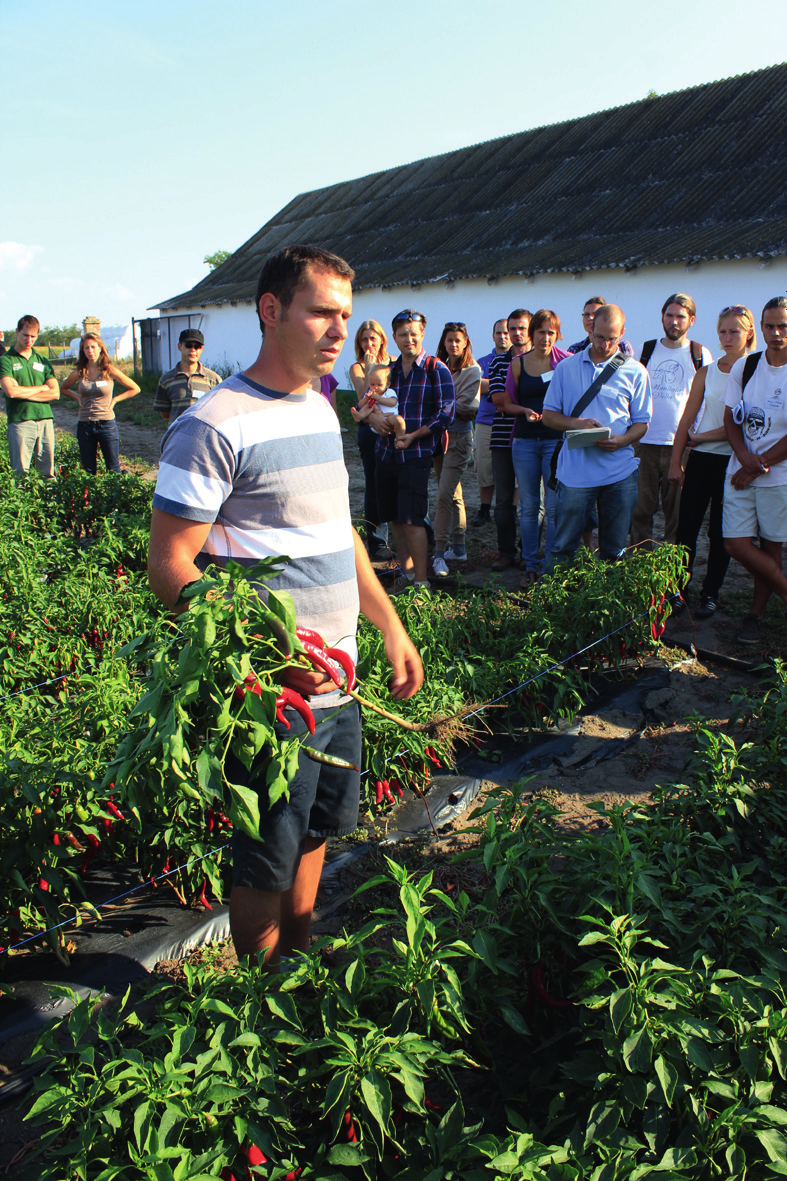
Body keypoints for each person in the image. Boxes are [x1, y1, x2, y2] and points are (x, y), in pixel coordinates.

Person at [147, 244, 424, 966]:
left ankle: (295, 967)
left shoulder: (318, 407)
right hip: (271, 693)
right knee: (266, 854)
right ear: (271, 311)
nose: (340, 331)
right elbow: (170, 565)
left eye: (346, 315)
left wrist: (388, 624)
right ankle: (260, 998)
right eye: (322, 313)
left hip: (340, 682)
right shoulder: (213, 422)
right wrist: (268, 652)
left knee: (312, 832)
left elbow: (338, 535)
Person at [542, 304, 651, 568]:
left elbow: (642, 423)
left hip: (620, 473)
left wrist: (621, 441)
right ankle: (555, 604)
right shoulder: (566, 368)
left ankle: (607, 605)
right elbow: (548, 416)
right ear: (590, 329)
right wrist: (577, 423)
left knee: (615, 549)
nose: (604, 344)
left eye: (612, 338)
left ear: (622, 333)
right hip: (576, 473)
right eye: (599, 336)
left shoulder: (636, 371)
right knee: (563, 546)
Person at [667, 305, 756, 618]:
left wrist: (702, 438)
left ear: (748, 333)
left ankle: (711, 593)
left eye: (734, 331)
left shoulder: (755, 371)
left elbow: (741, 425)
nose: (727, 337)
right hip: (701, 461)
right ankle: (678, 591)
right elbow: (686, 420)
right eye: (722, 331)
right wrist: (676, 461)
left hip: (733, 461)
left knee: (720, 532)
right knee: (687, 527)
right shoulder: (707, 371)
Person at [373, 310, 455, 591]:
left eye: (414, 333)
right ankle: (406, 576)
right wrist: (377, 421)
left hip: (415, 455)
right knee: (394, 517)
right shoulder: (390, 370)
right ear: (394, 337)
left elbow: (445, 413)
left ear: (422, 335)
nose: (409, 339)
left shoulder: (436, 369)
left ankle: (421, 582)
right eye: (403, 334)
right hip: (386, 453)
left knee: (412, 519)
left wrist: (411, 436)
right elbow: (371, 403)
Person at [722, 296, 787, 645]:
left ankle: (754, 616)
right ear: (760, 328)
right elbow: (731, 419)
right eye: (770, 325)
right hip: (741, 470)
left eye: (783, 326)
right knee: (735, 543)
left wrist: (759, 465)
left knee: (771, 548)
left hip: (779, 475)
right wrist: (744, 458)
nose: (776, 332)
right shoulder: (745, 367)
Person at [631, 294, 712, 548]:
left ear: (692, 320)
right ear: (662, 317)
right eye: (669, 315)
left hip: (682, 447)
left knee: (676, 515)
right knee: (639, 511)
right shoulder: (646, 350)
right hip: (644, 444)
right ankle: (639, 568)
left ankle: (669, 574)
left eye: (680, 316)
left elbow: (706, 401)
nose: (674, 322)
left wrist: (693, 437)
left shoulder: (699, 354)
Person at [499, 310, 569, 586]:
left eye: (551, 332)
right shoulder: (517, 364)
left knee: (554, 507)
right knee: (529, 507)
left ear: (557, 334)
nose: (546, 337)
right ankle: (530, 564)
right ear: (532, 334)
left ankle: (550, 564)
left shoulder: (565, 363)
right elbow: (507, 404)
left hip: (555, 441)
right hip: (525, 441)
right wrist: (525, 410)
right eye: (541, 331)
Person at [431, 323, 482, 576]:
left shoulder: (472, 371)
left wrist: (438, 407)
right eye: (449, 340)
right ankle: (459, 548)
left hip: (459, 438)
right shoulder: (439, 367)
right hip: (438, 438)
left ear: (465, 343)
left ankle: (439, 554)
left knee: (442, 495)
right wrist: (442, 407)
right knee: (452, 493)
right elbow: (442, 404)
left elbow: (461, 408)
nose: (453, 344)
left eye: (458, 340)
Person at [488, 309, 532, 569]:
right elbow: (499, 401)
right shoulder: (498, 363)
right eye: (512, 328)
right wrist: (526, 403)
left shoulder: (541, 361)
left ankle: (529, 554)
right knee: (503, 501)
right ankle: (506, 552)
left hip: (533, 438)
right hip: (503, 439)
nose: (516, 333)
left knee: (531, 501)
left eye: (521, 328)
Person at [60, 333, 140, 474]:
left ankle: (114, 495)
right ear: (82, 351)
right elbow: (63, 388)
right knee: (89, 469)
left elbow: (135, 388)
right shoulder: (80, 371)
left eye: (93, 347)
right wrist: (77, 397)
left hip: (106, 424)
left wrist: (115, 400)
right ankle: (92, 496)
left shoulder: (108, 369)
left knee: (113, 468)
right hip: (85, 425)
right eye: (86, 348)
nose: (90, 351)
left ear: (100, 348)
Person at [348, 320, 391, 559]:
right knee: (374, 484)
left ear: (382, 339)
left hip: (391, 425)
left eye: (373, 338)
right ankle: (377, 542)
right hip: (368, 430)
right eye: (364, 339)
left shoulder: (393, 362)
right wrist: (369, 368)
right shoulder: (357, 367)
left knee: (399, 481)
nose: (369, 343)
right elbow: (363, 396)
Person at [0, 315, 59, 478]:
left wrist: (22, 391)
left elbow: (55, 393)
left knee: (47, 473)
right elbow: (10, 392)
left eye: (33, 336)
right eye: (25, 335)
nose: (29, 340)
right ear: (17, 332)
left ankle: (47, 503)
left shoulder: (43, 360)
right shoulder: (6, 360)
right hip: (20, 420)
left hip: (45, 419)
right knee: (20, 473)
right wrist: (42, 388)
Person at [472, 318, 510, 525]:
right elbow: (474, 385)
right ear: (493, 335)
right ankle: (484, 509)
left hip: (511, 421)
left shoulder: (519, 360)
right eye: (499, 333)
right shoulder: (482, 362)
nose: (503, 337)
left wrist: (491, 384)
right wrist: (504, 383)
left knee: (512, 470)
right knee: (485, 468)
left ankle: (510, 510)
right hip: (486, 421)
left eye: (506, 333)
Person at [153, 328, 222, 425]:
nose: (193, 350)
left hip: (202, 436)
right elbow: (165, 414)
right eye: (188, 345)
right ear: (179, 346)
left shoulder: (213, 379)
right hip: (177, 436)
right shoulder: (166, 380)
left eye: (197, 346)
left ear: (202, 349)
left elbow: (219, 410)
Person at [568, 296, 635, 357]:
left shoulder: (622, 346)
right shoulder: (575, 349)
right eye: (586, 314)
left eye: (595, 314)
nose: (590, 318)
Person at [354, 364, 405, 438]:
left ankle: (400, 438)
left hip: (390, 418)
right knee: (370, 405)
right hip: (375, 423)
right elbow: (360, 405)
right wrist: (366, 399)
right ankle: (360, 416)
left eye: (379, 385)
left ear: (387, 384)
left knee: (399, 420)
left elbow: (393, 402)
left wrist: (379, 399)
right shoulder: (370, 393)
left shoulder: (389, 392)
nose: (375, 387)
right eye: (372, 384)